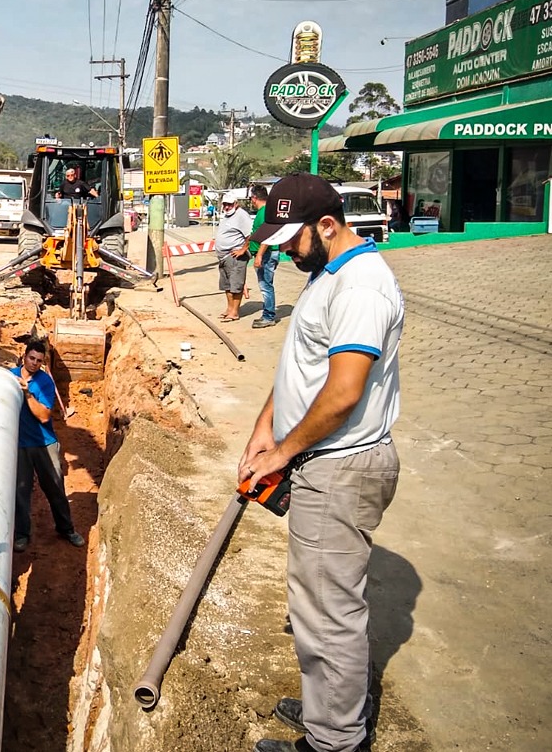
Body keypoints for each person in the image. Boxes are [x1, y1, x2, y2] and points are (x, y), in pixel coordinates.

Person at [238, 173, 404, 752]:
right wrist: (266, 428)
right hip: (320, 462)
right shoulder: (326, 274)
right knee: (312, 603)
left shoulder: (361, 287)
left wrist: (284, 450)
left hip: (341, 468)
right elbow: (302, 368)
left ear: (327, 226)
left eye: (290, 238)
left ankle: (333, 741)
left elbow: (341, 394)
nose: (281, 249)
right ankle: (325, 708)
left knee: (330, 612)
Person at [9, 339, 86, 552]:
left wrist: (26, 393)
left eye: (39, 361)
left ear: (43, 363)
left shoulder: (45, 382)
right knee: (20, 491)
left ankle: (66, 529)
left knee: (55, 488)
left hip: (44, 444)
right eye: (31, 358)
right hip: (19, 445)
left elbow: (43, 416)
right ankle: (22, 535)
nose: (34, 363)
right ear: (24, 357)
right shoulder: (10, 376)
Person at [213, 194, 253, 322]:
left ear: (236, 204)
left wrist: (243, 249)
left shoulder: (241, 215)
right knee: (227, 285)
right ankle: (229, 309)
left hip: (234, 257)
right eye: (225, 204)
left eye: (229, 204)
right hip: (223, 257)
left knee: (236, 285)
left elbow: (250, 234)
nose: (226, 207)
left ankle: (235, 312)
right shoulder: (226, 215)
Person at [249, 184, 280, 328]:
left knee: (265, 285)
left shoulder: (264, 213)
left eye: (251, 198)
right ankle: (268, 314)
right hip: (266, 253)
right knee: (265, 285)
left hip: (267, 254)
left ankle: (268, 316)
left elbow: (267, 236)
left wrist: (259, 255)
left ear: (254, 198)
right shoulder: (266, 212)